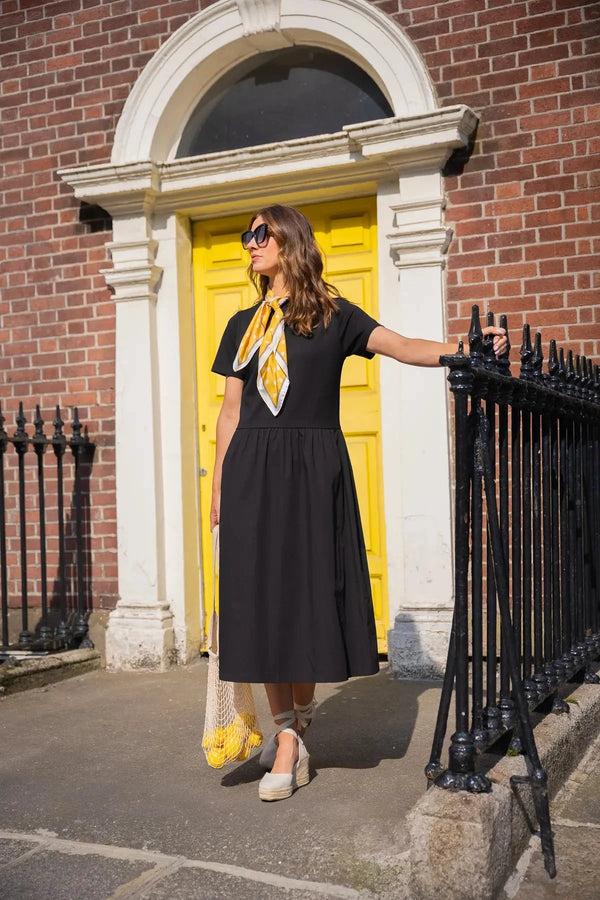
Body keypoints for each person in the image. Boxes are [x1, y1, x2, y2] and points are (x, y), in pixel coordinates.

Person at [209, 204, 506, 802]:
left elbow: (399, 345)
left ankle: (300, 720)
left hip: (314, 470)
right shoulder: (241, 325)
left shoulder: (336, 316)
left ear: (290, 240)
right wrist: (218, 489)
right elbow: (231, 413)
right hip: (251, 474)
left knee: (306, 597)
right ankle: (287, 736)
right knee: (264, 604)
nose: (249, 244)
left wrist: (464, 349)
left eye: (260, 233)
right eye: (246, 236)